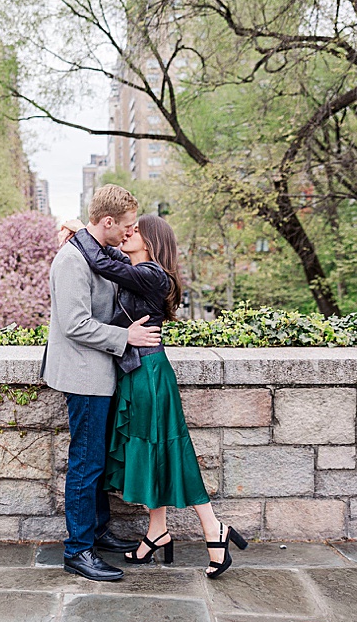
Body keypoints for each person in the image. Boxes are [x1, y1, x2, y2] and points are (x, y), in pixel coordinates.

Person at [68, 213, 249, 578]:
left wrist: (83, 234)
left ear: (152, 241)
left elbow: (102, 260)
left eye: (135, 230)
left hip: (149, 375)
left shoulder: (153, 275)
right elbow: (112, 260)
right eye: (127, 228)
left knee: (169, 450)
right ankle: (157, 532)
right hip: (138, 373)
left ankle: (214, 530)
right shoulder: (139, 268)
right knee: (154, 450)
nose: (128, 232)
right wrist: (81, 232)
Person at [44, 184, 163, 582]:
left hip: (100, 371)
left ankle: (95, 532)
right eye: (127, 227)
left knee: (94, 460)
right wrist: (125, 338)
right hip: (83, 375)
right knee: (86, 463)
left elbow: (116, 267)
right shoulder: (71, 262)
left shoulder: (94, 252)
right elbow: (75, 324)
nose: (132, 234)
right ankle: (77, 551)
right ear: (108, 222)